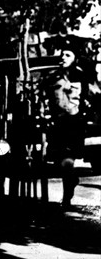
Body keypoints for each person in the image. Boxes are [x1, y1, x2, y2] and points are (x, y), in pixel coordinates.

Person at [44, 45, 87, 209]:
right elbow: (46, 95)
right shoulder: (53, 77)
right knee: (58, 161)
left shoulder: (80, 75)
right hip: (57, 123)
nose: (63, 58)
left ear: (74, 58)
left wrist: (82, 115)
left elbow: (86, 97)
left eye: (67, 55)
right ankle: (70, 181)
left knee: (67, 161)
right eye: (62, 55)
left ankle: (66, 198)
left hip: (73, 122)